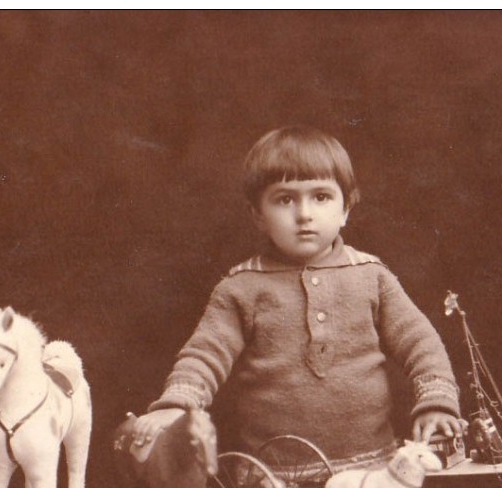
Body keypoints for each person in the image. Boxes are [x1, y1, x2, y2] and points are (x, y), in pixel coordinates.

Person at [129, 126, 465, 469]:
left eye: (321, 197)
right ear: (258, 214)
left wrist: (436, 402)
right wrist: (178, 403)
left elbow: (420, 343)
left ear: (346, 208)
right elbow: (205, 354)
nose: (304, 214)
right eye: (285, 199)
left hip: (372, 469)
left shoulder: (372, 276)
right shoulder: (241, 288)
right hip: (275, 477)